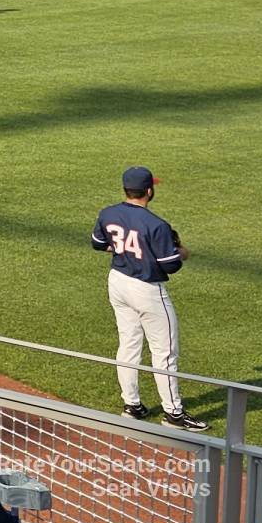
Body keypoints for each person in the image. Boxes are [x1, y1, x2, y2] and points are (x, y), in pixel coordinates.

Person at [92, 166, 209, 431]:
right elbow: (170, 265)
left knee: (129, 344)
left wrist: (127, 251)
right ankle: (174, 414)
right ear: (149, 191)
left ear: (125, 189)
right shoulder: (157, 225)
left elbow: (99, 243)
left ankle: (132, 405)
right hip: (147, 291)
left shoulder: (107, 213)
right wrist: (181, 252)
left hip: (118, 283)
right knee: (165, 353)